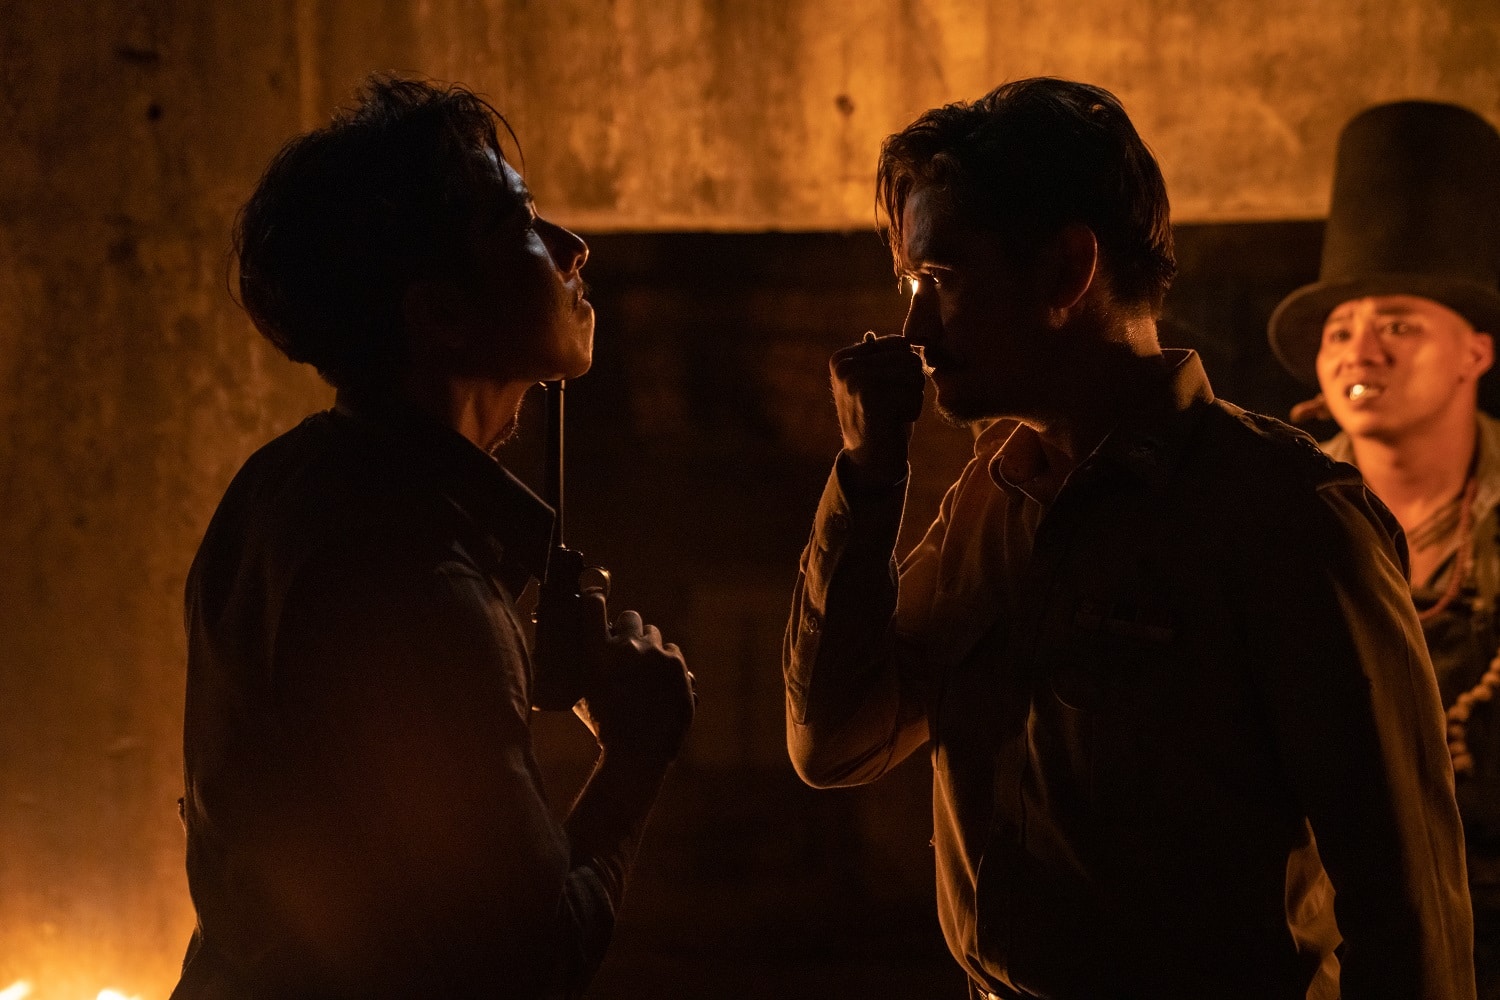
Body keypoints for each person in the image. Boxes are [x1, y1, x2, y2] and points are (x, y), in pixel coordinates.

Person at [783, 77, 1474, 999]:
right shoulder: (994, 502)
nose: (913, 330)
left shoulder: (1283, 516)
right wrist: (867, 478)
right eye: (911, 284)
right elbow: (834, 744)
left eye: (941, 280)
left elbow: (1407, 908)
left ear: (1068, 270)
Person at [170, 76, 694, 999]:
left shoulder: (280, 485)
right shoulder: (414, 578)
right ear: (441, 314)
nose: (571, 247)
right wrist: (638, 753)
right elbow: (526, 958)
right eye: (520, 222)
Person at [1270, 100, 1500, 999]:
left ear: (1474, 352)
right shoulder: (1277, 511)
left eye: (1399, 323)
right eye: (1340, 331)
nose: (1359, 349)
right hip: (1332, 928)